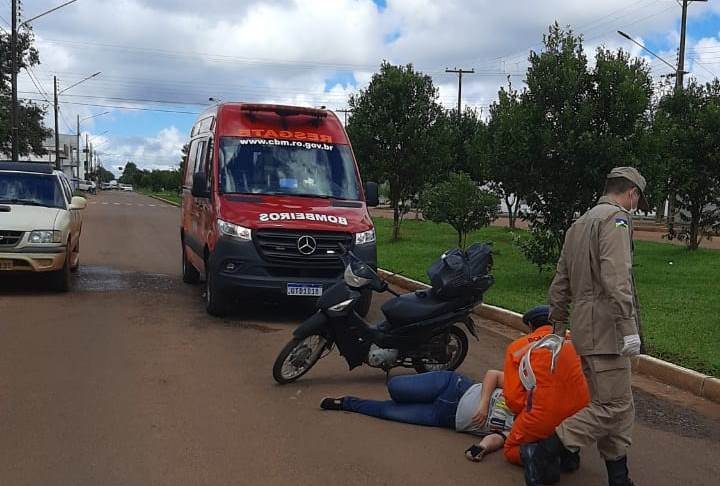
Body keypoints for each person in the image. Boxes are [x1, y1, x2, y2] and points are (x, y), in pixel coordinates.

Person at [522, 167, 649, 486]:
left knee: (611, 403)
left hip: (584, 329)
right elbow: (616, 278)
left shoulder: (579, 224)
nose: (636, 205)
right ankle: (546, 449)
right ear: (632, 193)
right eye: (637, 199)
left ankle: (618, 477)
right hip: (607, 329)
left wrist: (557, 325)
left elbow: (560, 281)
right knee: (615, 406)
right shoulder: (616, 219)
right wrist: (628, 326)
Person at [319, 368, 514, 462]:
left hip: (442, 417)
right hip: (453, 387)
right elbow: (493, 375)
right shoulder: (525, 390)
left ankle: (345, 403)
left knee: (388, 412)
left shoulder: (524, 429)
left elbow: (499, 438)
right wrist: (484, 403)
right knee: (395, 387)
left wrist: (481, 448)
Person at [499, 305, 589, 469]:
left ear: (531, 326)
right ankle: (566, 450)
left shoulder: (517, 347)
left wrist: (523, 417)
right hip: (582, 415)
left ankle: (544, 458)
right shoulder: (578, 342)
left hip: (542, 415)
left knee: (511, 449)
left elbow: (513, 399)